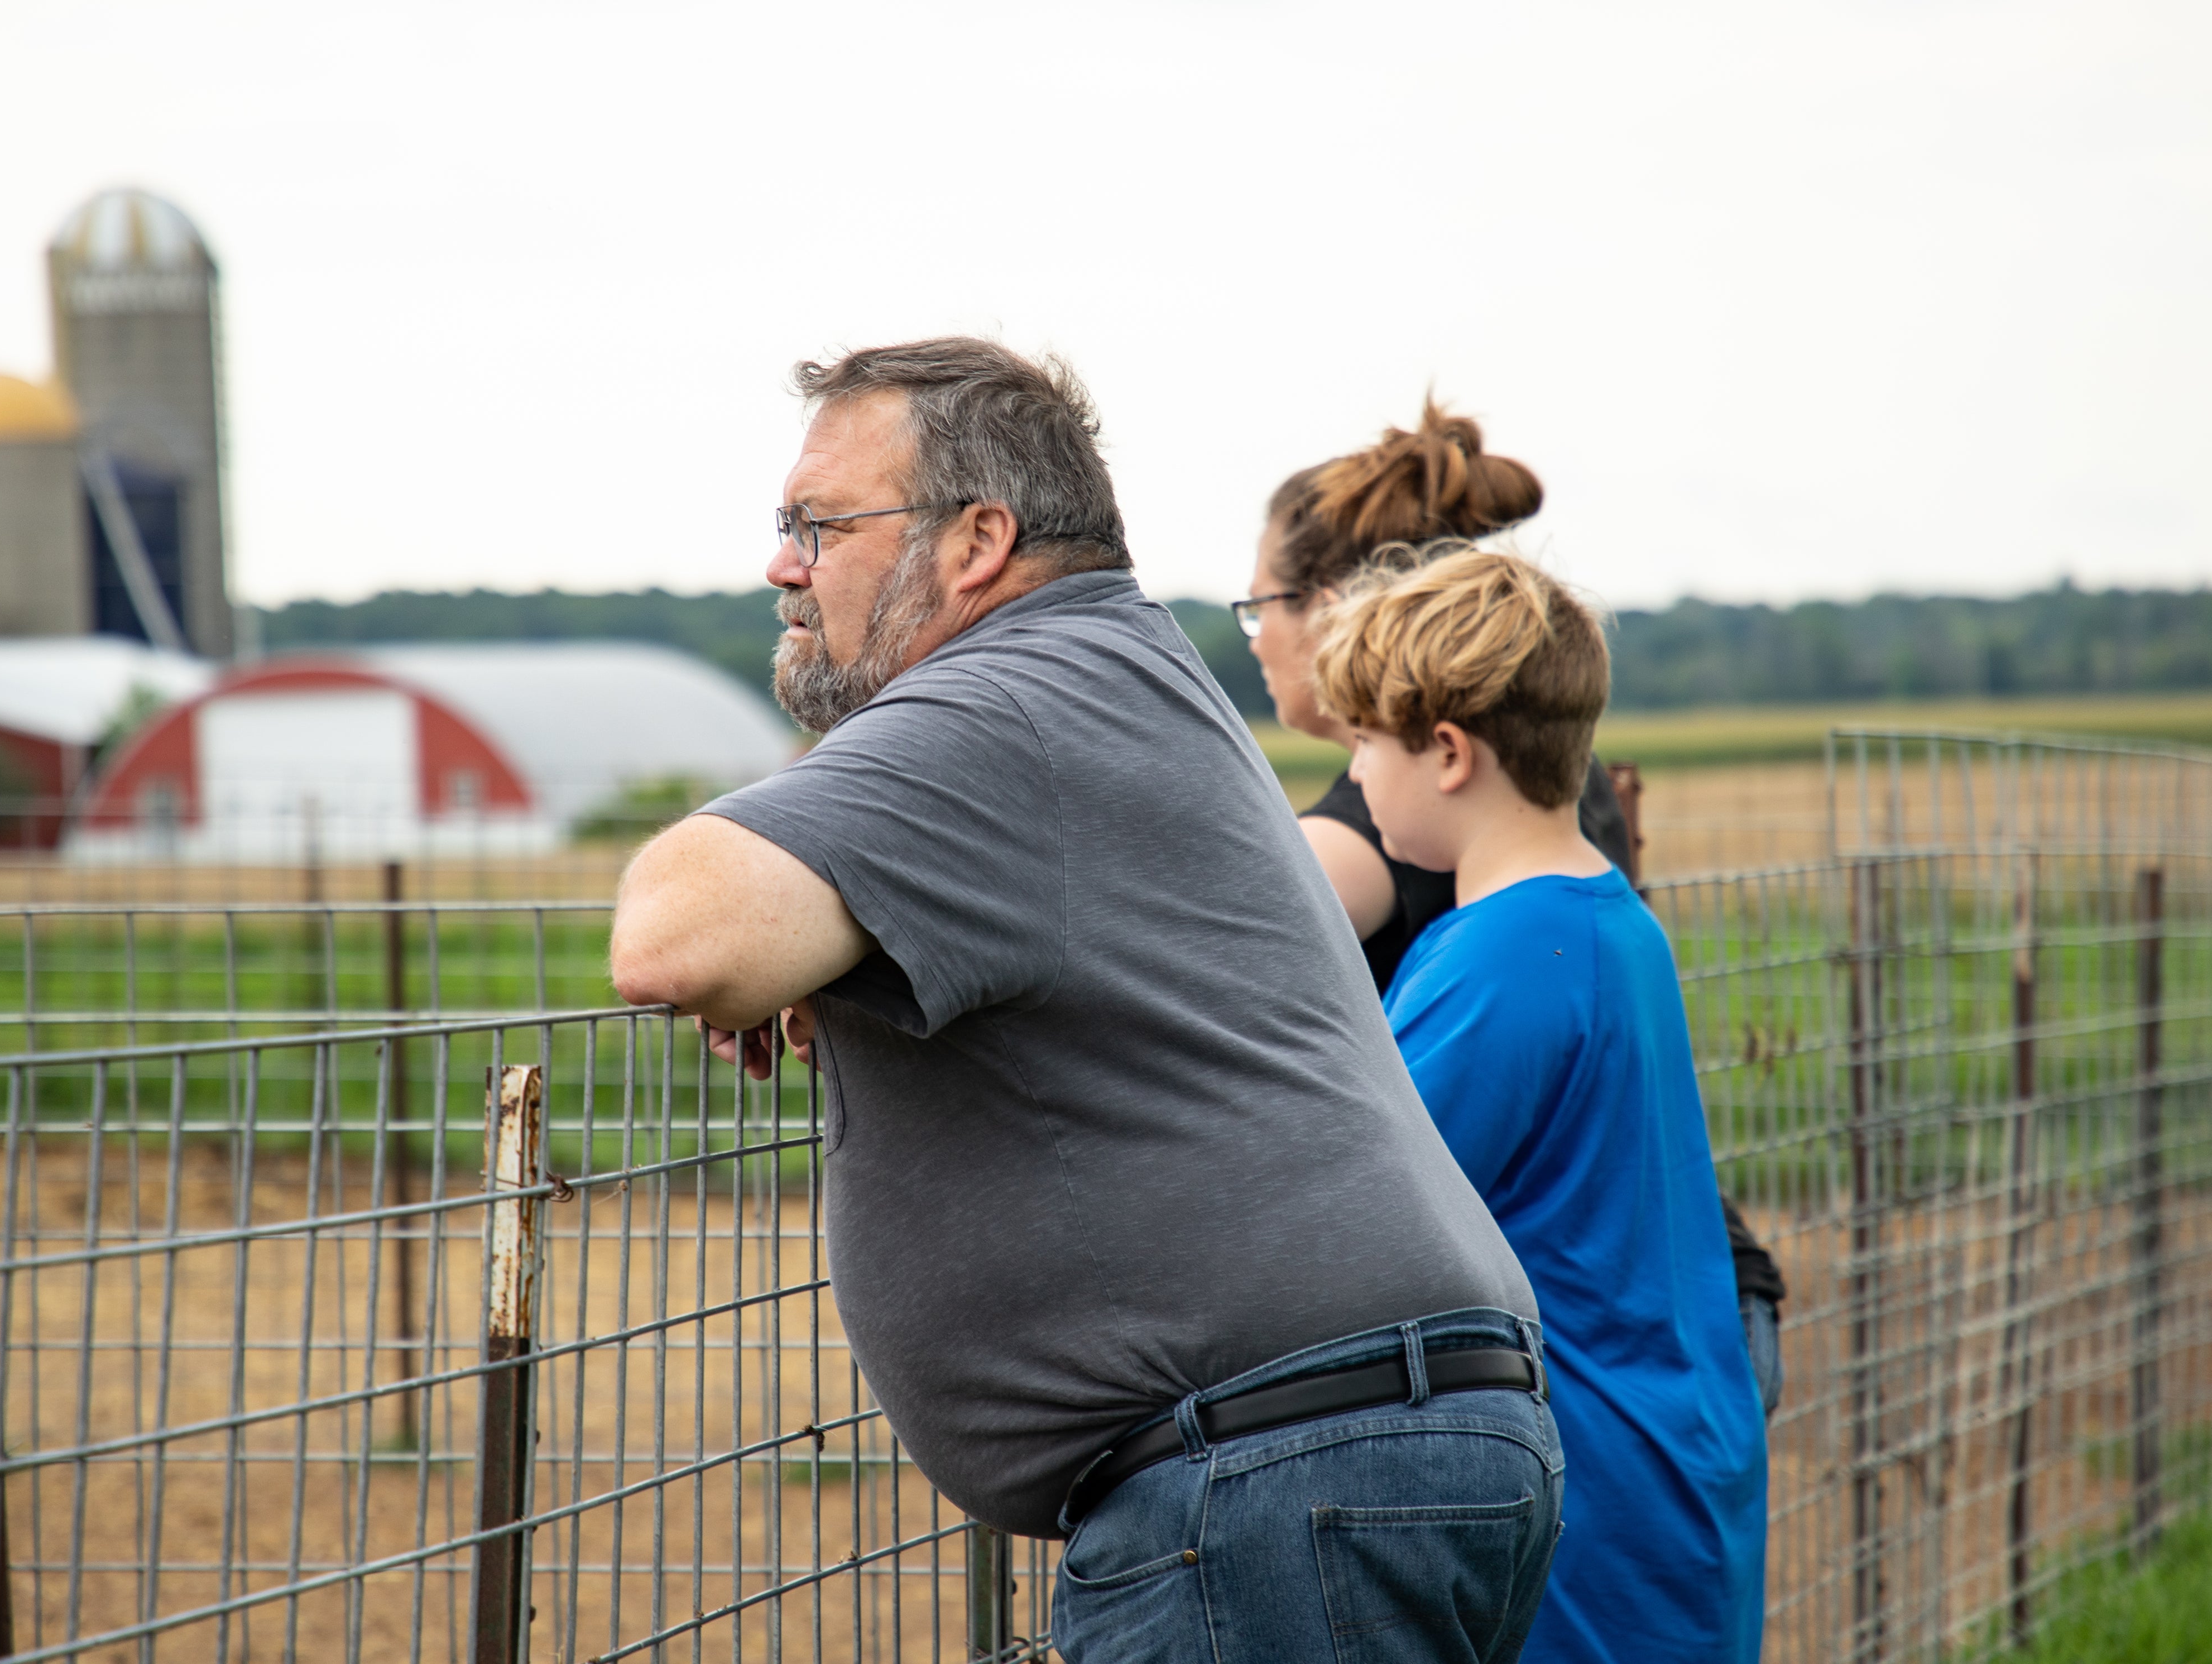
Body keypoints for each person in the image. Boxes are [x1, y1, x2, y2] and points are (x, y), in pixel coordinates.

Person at [610, 337, 1561, 1663]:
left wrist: (778, 910)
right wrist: (833, 927)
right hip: (1361, 1441)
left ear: (977, 540)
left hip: (1271, 1473)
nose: (783, 565)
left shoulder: (1002, 702)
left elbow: (674, 937)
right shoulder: (1115, 673)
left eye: (818, 526)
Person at [1239, 400, 1786, 1420]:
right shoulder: (1590, 885)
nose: (1255, 632)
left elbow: (1369, 1203)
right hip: (1679, 1350)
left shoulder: (1476, 935)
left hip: (1576, 1409)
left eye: (1259, 602)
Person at [1309, 547, 1769, 1664]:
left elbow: (1352, 1213)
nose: (1356, 776)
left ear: (1451, 754)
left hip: (1588, 1493)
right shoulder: (1607, 920)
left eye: (1365, 741)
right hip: (1672, 1451)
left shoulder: (1504, 959)